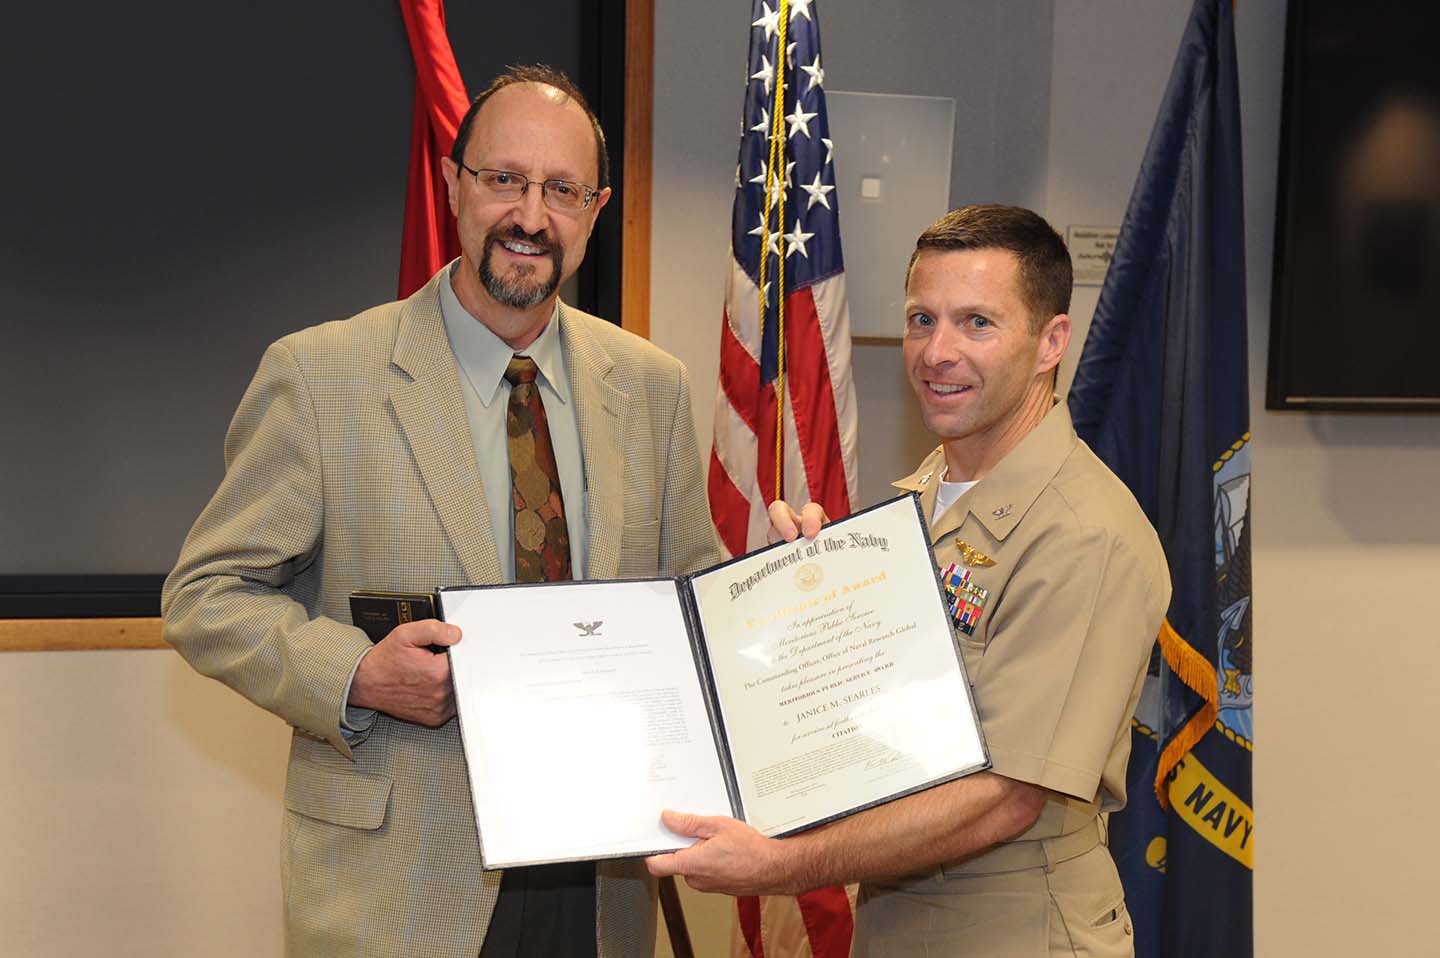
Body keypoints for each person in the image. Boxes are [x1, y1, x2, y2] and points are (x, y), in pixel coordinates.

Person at [163, 65, 718, 958]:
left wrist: (779, 575)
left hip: (601, 879)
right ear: (453, 183)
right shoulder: (321, 374)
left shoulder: (652, 387)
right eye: (504, 180)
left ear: (597, 208)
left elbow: (691, 602)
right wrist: (355, 674)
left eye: (562, 191)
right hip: (401, 887)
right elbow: (206, 596)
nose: (531, 218)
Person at [647, 205, 1171, 957]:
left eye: (977, 323)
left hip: (1017, 933)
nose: (937, 352)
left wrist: (784, 864)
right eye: (922, 319)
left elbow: (1007, 798)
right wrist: (804, 603)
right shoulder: (925, 496)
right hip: (902, 922)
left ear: (1052, 341)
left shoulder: (1084, 535)